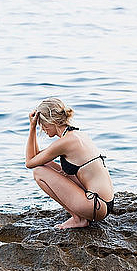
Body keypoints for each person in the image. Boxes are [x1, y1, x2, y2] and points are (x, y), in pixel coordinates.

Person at [25, 97, 114, 229]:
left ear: (52, 121)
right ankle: (80, 216)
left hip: (95, 205)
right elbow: (37, 157)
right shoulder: (76, 135)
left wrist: (31, 128)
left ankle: (78, 219)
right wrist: (33, 126)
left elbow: (29, 162)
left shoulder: (66, 142)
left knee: (39, 171)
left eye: (42, 124)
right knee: (46, 164)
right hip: (103, 203)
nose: (42, 128)